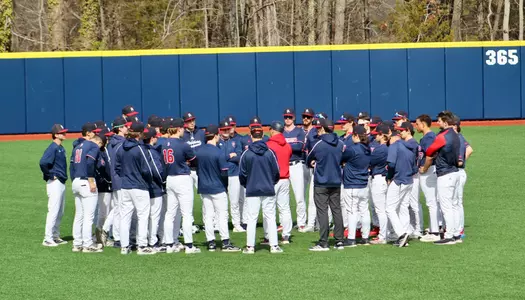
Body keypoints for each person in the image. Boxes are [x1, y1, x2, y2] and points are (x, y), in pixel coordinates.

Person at [197, 124, 241, 252]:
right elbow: (224, 171)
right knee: (222, 215)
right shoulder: (218, 152)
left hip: (204, 188)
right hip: (217, 187)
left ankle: (210, 242)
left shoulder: (199, 151)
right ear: (216, 135)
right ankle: (225, 242)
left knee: (208, 216)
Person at [239, 126, 282, 254]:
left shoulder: (246, 153)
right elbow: (276, 172)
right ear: (262, 136)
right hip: (268, 188)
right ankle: (274, 246)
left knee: (251, 218)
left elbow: (242, 174)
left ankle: (250, 247)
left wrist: (248, 185)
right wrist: (271, 183)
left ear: (251, 136)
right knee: (270, 217)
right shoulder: (270, 152)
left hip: (252, 189)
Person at [422, 111, 462, 245]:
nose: (437, 123)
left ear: (445, 122)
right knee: (453, 205)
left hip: (445, 174)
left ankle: (449, 235)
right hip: (455, 172)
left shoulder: (443, 136)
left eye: (439, 121)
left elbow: (429, 151)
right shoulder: (456, 135)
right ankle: (456, 234)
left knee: (446, 206)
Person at [306, 119, 346, 251]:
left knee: (322, 211)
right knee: (336, 209)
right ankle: (339, 240)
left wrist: (313, 163)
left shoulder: (319, 144)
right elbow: (345, 159)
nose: (318, 130)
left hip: (321, 183)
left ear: (323, 129)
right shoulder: (340, 144)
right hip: (336, 181)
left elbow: (308, 159)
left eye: (319, 128)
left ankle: (323, 242)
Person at [115, 122, 155, 255]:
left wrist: (126, 176)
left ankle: (124, 247)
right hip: (139, 186)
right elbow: (148, 169)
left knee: (125, 217)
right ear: (140, 133)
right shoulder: (139, 149)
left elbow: (117, 167)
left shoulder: (121, 147)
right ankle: (142, 246)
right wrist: (147, 181)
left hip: (125, 186)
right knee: (143, 216)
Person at [163, 118, 200, 254]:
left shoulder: (164, 144)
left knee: (170, 213)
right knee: (186, 214)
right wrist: (187, 163)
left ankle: (169, 244)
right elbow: (194, 161)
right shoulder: (183, 144)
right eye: (182, 128)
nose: (184, 130)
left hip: (170, 179)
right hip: (182, 179)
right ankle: (189, 246)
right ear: (178, 129)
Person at [70, 123, 103, 253]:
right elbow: (90, 162)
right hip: (86, 181)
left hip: (76, 181)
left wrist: (75, 181)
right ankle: (88, 244)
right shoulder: (92, 145)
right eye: (94, 132)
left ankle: (77, 244)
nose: (95, 134)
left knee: (79, 215)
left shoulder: (77, 147)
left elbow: (71, 167)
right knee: (88, 216)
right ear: (88, 133)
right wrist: (90, 179)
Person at [385, 128, 417, 248]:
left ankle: (401, 234)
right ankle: (405, 235)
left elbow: (391, 164)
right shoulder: (409, 147)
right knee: (403, 207)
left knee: (390, 208)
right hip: (409, 180)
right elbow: (415, 168)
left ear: (393, 137)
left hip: (398, 180)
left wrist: (389, 177)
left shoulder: (394, 146)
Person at [102, 117, 131, 248]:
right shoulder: (122, 143)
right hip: (121, 179)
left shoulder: (111, 143)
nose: (127, 128)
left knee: (118, 208)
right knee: (121, 209)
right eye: (125, 126)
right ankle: (116, 236)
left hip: (115, 179)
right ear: (119, 128)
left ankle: (115, 235)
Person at [341, 125, 371, 247]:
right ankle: (365, 237)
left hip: (352, 184)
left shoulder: (352, 149)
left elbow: (341, 158)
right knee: (364, 211)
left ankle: (351, 238)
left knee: (352, 211)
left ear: (356, 135)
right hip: (364, 183)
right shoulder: (368, 149)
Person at [39, 124, 68, 247]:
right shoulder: (53, 148)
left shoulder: (60, 147)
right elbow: (43, 162)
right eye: (61, 132)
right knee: (53, 211)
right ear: (56, 134)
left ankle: (55, 236)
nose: (64, 134)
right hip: (55, 183)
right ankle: (47, 238)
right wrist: (50, 175)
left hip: (61, 182)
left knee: (60, 211)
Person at [266, 121, 293, 244]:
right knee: (285, 208)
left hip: (272, 180)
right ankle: (286, 236)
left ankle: (268, 236)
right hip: (285, 180)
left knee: (269, 209)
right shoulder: (287, 145)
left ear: (272, 130)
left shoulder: (269, 145)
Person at [415, 114, 441, 242]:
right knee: (432, 201)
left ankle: (435, 232)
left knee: (431, 202)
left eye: (418, 123)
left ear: (423, 124)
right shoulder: (427, 137)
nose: (416, 126)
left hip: (429, 171)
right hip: (430, 171)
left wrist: (425, 168)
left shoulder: (429, 137)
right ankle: (433, 228)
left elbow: (431, 155)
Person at [282, 108, 307, 232]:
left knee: (299, 196)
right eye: (286, 117)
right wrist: (290, 144)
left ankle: (301, 222)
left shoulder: (299, 131)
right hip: (284, 165)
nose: (287, 119)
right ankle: (284, 223)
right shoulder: (281, 131)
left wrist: (284, 145)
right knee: (283, 196)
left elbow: (299, 147)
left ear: (294, 118)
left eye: (289, 117)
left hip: (297, 165)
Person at [397, 122, 423, 239]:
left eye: (401, 130)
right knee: (407, 204)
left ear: (408, 130)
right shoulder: (408, 143)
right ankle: (412, 227)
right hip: (409, 176)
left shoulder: (412, 143)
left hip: (413, 176)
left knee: (414, 204)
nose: (399, 132)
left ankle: (418, 229)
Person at [217, 119, 244, 233]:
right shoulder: (217, 142)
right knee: (220, 202)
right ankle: (218, 224)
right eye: (224, 129)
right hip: (221, 175)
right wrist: (229, 156)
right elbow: (218, 157)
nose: (226, 131)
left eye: (228, 129)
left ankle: (236, 224)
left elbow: (239, 156)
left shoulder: (235, 141)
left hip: (234, 174)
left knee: (234, 201)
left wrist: (227, 157)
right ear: (220, 130)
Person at [143, 129, 165, 252]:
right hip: (154, 187)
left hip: (143, 187)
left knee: (145, 215)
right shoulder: (151, 151)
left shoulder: (140, 149)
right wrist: (163, 181)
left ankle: (146, 239)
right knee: (154, 216)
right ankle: (152, 241)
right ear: (152, 138)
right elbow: (156, 170)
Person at [369, 124, 391, 244]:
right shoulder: (388, 148)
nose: (375, 137)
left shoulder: (380, 149)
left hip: (378, 179)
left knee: (380, 210)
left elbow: (369, 161)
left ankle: (383, 236)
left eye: (377, 134)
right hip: (384, 179)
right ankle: (388, 233)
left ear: (382, 135)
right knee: (385, 209)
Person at [453, 115, 473, 237]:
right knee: (455, 202)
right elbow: (469, 149)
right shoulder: (458, 137)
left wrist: (461, 161)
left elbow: (469, 150)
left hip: (458, 172)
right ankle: (455, 227)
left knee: (457, 202)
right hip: (458, 172)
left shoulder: (458, 138)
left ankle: (459, 229)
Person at [94, 130, 112, 246]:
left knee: (104, 211)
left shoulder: (105, 151)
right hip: (103, 186)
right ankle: (101, 231)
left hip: (104, 185)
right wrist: (107, 180)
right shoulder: (99, 153)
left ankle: (100, 232)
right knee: (104, 212)